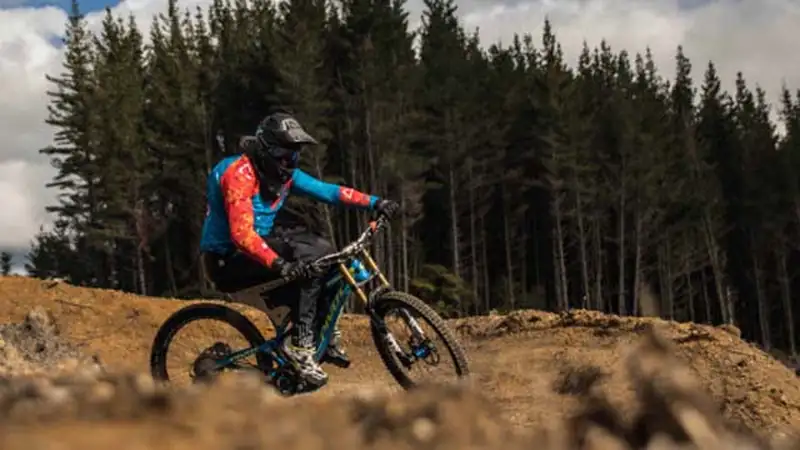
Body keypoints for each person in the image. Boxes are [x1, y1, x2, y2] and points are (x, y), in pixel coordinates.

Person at [199, 110, 399, 386]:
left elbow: (327, 191)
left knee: (323, 251)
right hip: (228, 260)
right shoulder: (238, 174)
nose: (291, 163)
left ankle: (322, 339)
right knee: (309, 261)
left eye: (295, 156)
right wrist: (282, 265)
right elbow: (241, 235)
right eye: (286, 155)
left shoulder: (284, 175)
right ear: (267, 152)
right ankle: (300, 348)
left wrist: (375, 202)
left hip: (257, 255)